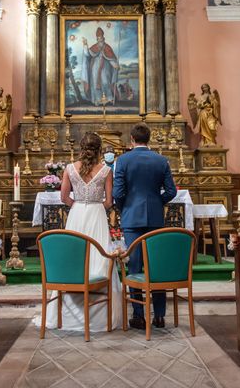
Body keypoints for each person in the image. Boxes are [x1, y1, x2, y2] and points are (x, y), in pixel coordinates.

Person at [42, 132, 122, 331]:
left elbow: (63, 197)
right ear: (99, 150)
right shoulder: (106, 170)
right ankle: (101, 311)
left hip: (77, 214)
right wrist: (96, 206)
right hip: (96, 214)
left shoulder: (69, 168)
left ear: (81, 148)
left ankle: (69, 309)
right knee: (99, 255)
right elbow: (109, 201)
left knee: (74, 256)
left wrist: (78, 205)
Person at [113, 123, 177, 329]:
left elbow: (117, 193)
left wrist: (125, 208)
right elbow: (171, 191)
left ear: (132, 139)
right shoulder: (160, 160)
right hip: (155, 218)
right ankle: (159, 316)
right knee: (155, 265)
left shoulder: (122, 160)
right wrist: (158, 202)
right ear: (148, 139)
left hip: (132, 219)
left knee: (134, 267)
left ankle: (139, 315)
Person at [81, 27, 120, 106]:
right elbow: (87, 55)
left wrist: (114, 65)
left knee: (106, 82)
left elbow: (111, 58)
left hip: (105, 69)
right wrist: (85, 45)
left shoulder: (107, 47)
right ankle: (97, 100)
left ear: (103, 38)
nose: (100, 40)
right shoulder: (94, 47)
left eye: (101, 38)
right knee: (95, 84)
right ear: (97, 39)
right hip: (95, 69)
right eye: (98, 39)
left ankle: (109, 98)